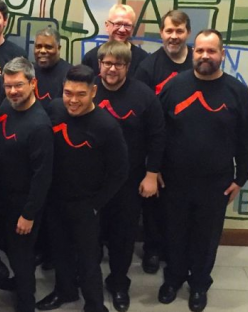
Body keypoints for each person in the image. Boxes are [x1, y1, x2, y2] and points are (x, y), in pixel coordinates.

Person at [157, 29, 248, 312]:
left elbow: (246, 138)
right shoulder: (174, 87)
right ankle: (173, 278)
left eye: (211, 51)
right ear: (193, 52)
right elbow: (158, 132)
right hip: (174, 179)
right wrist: (155, 168)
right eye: (200, 50)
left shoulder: (237, 92)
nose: (204, 56)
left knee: (206, 236)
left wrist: (241, 178)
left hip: (216, 182)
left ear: (222, 54)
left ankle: (199, 284)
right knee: (174, 232)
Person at [38, 65, 128, 312]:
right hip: (55, 199)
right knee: (59, 251)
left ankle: (95, 304)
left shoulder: (107, 126)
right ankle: (64, 292)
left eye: (80, 94)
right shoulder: (55, 109)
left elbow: (120, 171)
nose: (73, 100)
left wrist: (96, 204)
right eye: (68, 93)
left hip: (86, 204)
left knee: (88, 260)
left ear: (93, 92)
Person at [93, 41, 166, 311]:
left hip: (129, 179)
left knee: (122, 237)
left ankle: (118, 282)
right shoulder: (87, 91)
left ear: (128, 66)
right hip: (91, 180)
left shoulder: (144, 95)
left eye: (119, 64)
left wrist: (151, 173)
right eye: (107, 63)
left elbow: (158, 136)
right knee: (90, 234)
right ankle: (89, 281)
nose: (112, 69)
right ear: (99, 64)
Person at [0, 57, 54, 312]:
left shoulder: (39, 125)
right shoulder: (6, 106)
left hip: (24, 204)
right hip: (2, 198)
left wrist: (28, 214)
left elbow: (43, 176)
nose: (13, 91)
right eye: (8, 86)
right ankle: (19, 282)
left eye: (18, 85)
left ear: (33, 83)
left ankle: (26, 302)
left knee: (22, 257)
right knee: (12, 252)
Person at [134, 9, 193, 273]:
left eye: (179, 31)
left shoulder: (199, 61)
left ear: (187, 33)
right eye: (169, 30)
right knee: (154, 205)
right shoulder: (148, 67)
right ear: (161, 33)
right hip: (158, 150)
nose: (174, 36)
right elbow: (141, 114)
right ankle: (153, 250)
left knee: (182, 205)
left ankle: (177, 250)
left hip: (189, 151)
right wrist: (151, 163)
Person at [82, 4, 148, 77]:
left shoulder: (143, 60)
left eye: (127, 25)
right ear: (107, 26)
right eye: (117, 24)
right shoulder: (90, 58)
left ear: (132, 28)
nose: (122, 29)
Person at [33, 27, 71, 104]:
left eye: (48, 47)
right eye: (38, 46)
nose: (42, 51)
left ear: (58, 48)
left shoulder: (70, 74)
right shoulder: (28, 71)